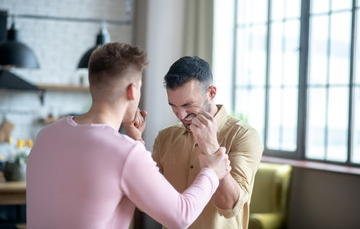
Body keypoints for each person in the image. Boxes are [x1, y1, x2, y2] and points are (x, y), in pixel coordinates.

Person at [26, 43, 231, 229]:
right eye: (140, 87)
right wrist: (212, 171)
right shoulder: (126, 153)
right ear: (133, 91)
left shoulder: (46, 135)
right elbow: (181, 216)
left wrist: (135, 142)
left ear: (92, 88)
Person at [152, 56, 263, 229]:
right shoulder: (164, 138)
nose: (180, 115)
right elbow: (146, 197)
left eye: (188, 105)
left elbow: (230, 207)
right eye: (173, 106)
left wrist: (211, 148)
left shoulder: (244, 136)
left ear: (211, 93)